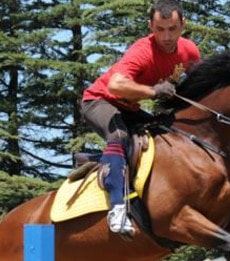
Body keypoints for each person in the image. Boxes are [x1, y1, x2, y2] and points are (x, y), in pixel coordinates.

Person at [80, 0, 200, 237]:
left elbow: (198, 85)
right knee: (119, 135)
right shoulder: (142, 50)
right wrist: (154, 92)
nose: (166, 36)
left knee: (165, 134)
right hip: (98, 101)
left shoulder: (189, 51)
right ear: (150, 27)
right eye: (159, 29)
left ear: (183, 25)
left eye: (172, 29)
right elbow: (115, 85)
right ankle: (117, 209)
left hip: (129, 107)